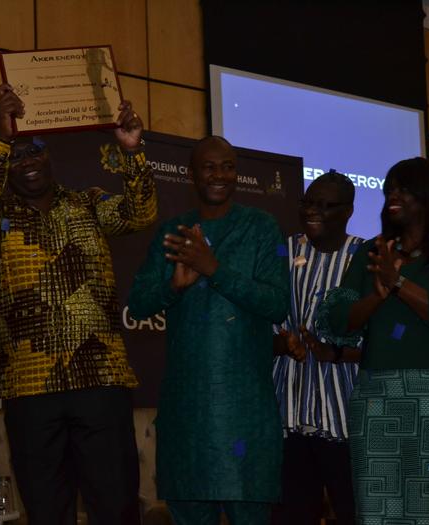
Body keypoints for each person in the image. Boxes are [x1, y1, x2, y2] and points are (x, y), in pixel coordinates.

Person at [0, 85, 157, 525]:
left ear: (51, 158)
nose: (27, 162)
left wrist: (133, 152)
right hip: (31, 389)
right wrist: (1, 139)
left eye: (35, 153)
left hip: (100, 379)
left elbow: (141, 213)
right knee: (48, 512)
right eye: (18, 156)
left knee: (115, 507)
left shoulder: (88, 204)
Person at [128, 136, 290, 524]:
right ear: (191, 174)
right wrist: (173, 287)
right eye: (209, 167)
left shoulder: (261, 228)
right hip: (188, 412)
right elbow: (138, 304)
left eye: (229, 167)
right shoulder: (172, 231)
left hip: (244, 410)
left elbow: (277, 304)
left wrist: (215, 269)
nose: (220, 175)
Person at [317, 157, 429, 524]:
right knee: (377, 510)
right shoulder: (373, 253)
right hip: (377, 394)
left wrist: (399, 283)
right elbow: (336, 323)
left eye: (404, 189)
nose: (392, 195)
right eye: (389, 188)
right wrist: (377, 296)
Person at [272, 170, 363, 525]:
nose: (314, 211)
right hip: (288, 414)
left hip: (343, 418)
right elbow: (263, 314)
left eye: (326, 205)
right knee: (292, 514)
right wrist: (282, 342)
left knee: (353, 512)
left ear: (349, 211)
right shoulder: (283, 248)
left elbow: (387, 339)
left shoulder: (364, 256)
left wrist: (336, 353)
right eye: (309, 203)